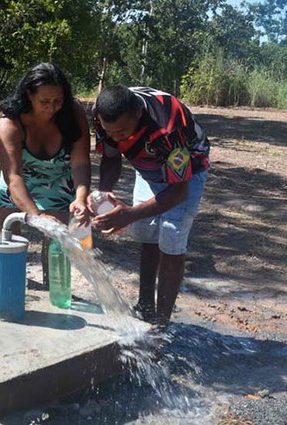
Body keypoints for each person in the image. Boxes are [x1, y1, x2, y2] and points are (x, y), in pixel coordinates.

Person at [90, 85, 210, 330]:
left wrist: (129, 214)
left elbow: (179, 191)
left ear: (137, 114)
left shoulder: (167, 126)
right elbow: (111, 156)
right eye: (109, 132)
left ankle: (161, 325)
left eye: (122, 131)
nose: (116, 138)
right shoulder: (102, 114)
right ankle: (145, 305)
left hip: (189, 168)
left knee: (171, 236)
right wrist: (103, 193)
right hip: (148, 166)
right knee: (147, 232)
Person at [0, 63, 91, 285]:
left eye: (58, 101)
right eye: (44, 101)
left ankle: (53, 288)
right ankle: (10, 286)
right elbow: (14, 177)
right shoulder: (10, 123)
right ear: (29, 94)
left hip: (59, 178)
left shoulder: (73, 115)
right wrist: (35, 214)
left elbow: (80, 162)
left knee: (57, 240)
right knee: (8, 234)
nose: (52, 107)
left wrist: (80, 197)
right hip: (19, 181)